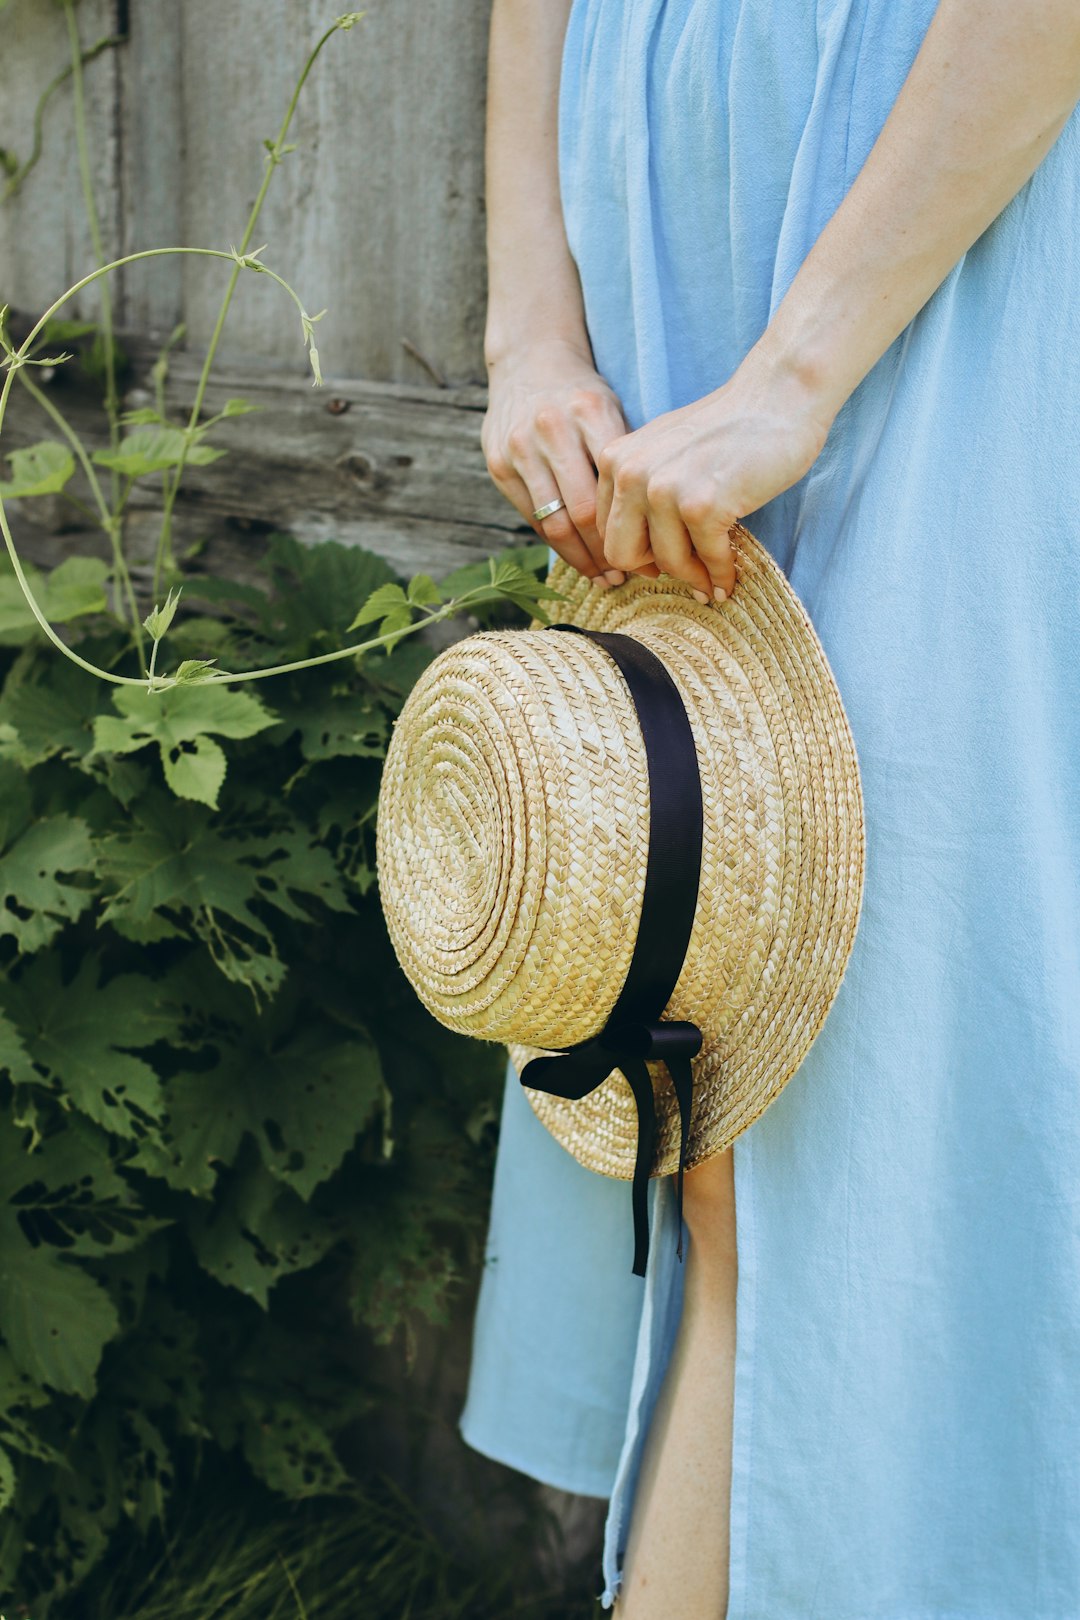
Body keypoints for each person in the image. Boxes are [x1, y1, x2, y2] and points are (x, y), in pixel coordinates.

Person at [461, 1, 1080, 1615]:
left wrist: (799, 373)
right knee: (709, 1038)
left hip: (943, 193)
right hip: (674, 192)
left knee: (852, 1092)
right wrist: (531, 321)